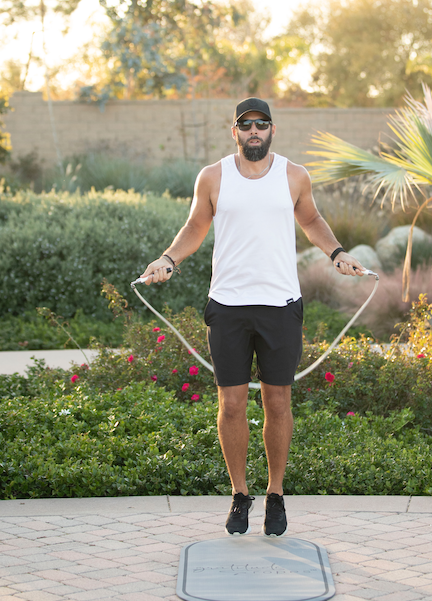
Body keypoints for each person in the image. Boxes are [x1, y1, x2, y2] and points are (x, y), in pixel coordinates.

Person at [140, 97, 364, 537]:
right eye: (246, 125)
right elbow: (195, 227)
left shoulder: (294, 176)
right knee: (232, 404)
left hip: (280, 305)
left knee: (278, 402)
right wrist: (168, 258)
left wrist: (336, 253)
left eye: (262, 125)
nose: (254, 132)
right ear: (235, 131)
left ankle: (276, 496)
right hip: (228, 306)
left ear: (273, 130)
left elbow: (312, 219)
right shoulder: (213, 177)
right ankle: (240, 495)